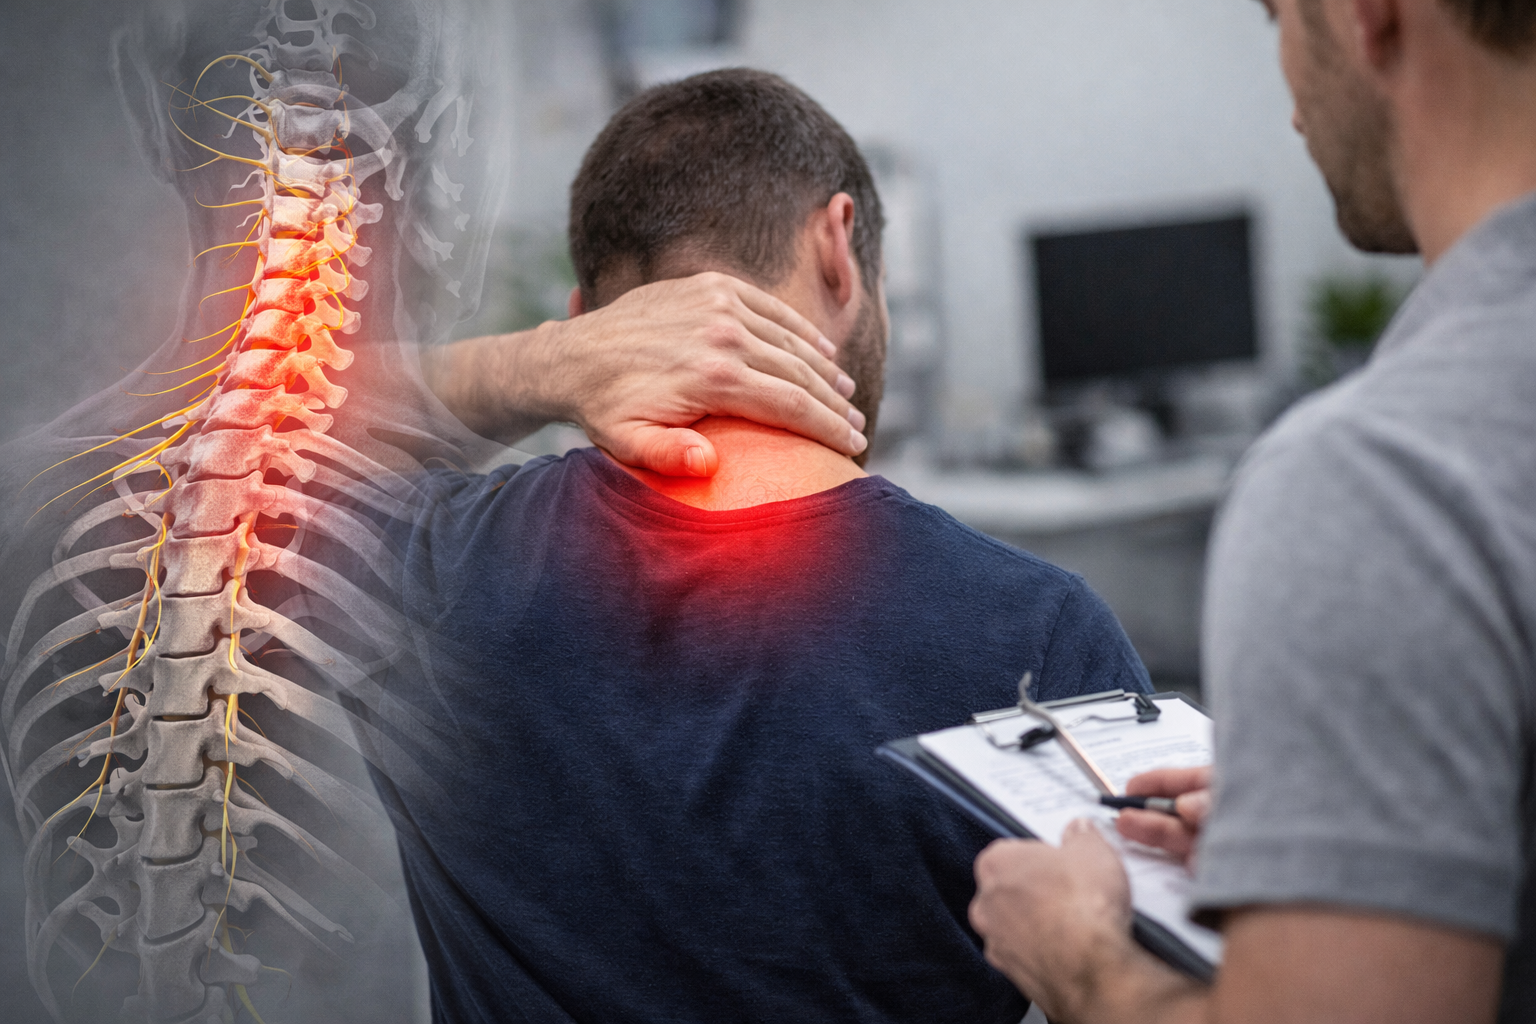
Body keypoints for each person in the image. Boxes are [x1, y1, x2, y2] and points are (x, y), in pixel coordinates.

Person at [374, 69, 1151, 1024]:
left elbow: (191, 438)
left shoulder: (434, 566)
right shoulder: (1040, 636)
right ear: (839, 246)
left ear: (588, 317)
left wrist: (529, 366)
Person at [967, 1, 1536, 1020]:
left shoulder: (1379, 482)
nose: (1288, 104)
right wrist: (1364, 824)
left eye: (1279, 17)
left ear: (1368, 16)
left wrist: (1079, 958)